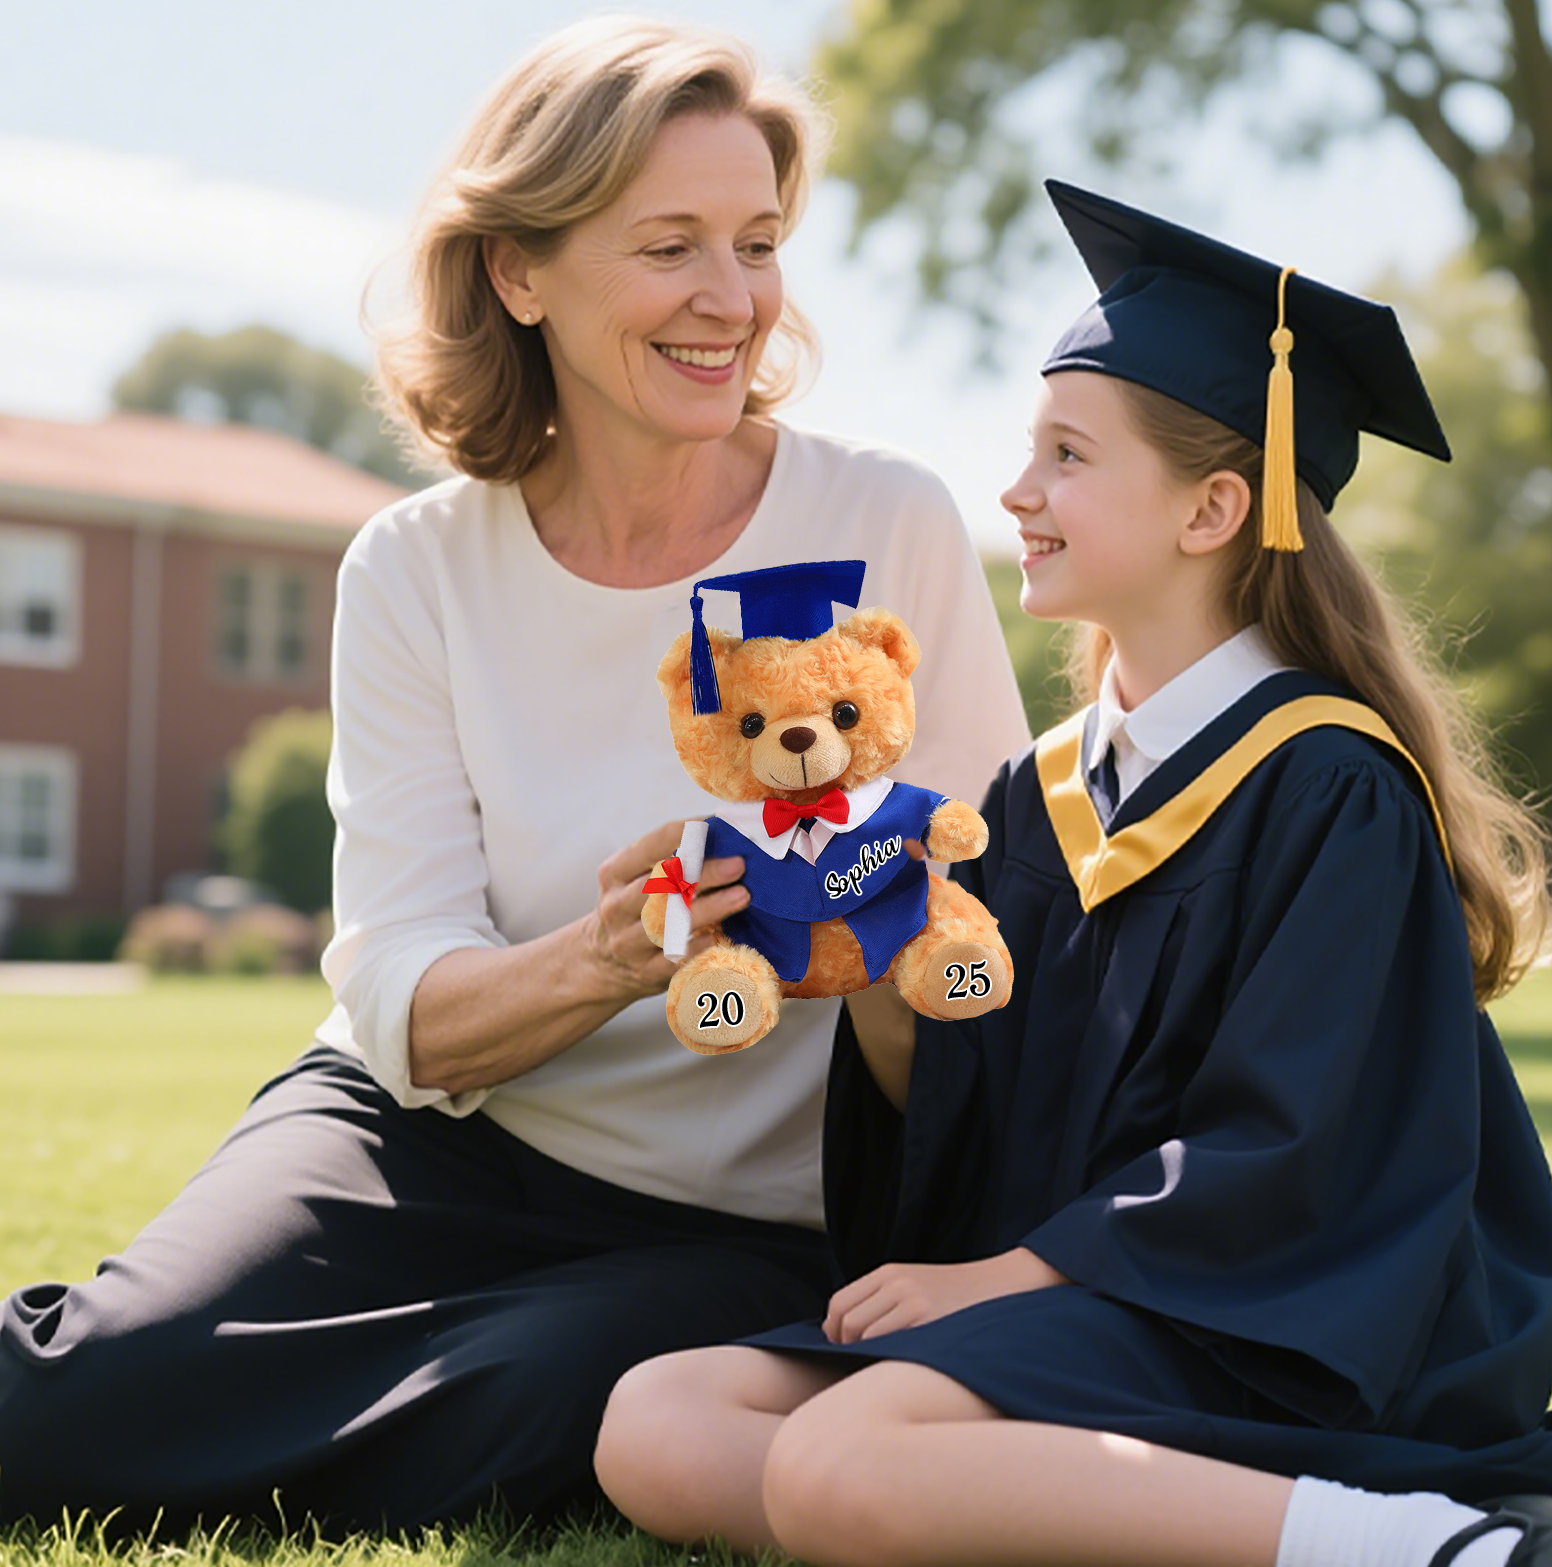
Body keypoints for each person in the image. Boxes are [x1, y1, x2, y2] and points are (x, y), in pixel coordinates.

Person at [0, 19, 1028, 1536]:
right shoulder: (416, 568)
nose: (729, 301)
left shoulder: (889, 520)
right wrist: (607, 957)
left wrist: (878, 932)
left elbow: (1003, 995)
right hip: (424, 1134)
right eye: (667, 244)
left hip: (743, 1218)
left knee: (543, 1404)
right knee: (83, 1397)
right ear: (520, 271)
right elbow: (407, 997)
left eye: (756, 244)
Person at [593, 182, 1552, 1567]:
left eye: (1066, 455)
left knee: (839, 1459)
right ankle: (1107, 1520)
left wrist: (1003, 1280)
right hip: (1086, 1315)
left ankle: (1430, 1546)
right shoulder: (1030, 798)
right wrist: (864, 954)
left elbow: (1293, 1159)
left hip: (1262, 1328)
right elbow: (965, 1111)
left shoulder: (1326, 783)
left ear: (1212, 507)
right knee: (663, 1418)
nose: (1018, 492)